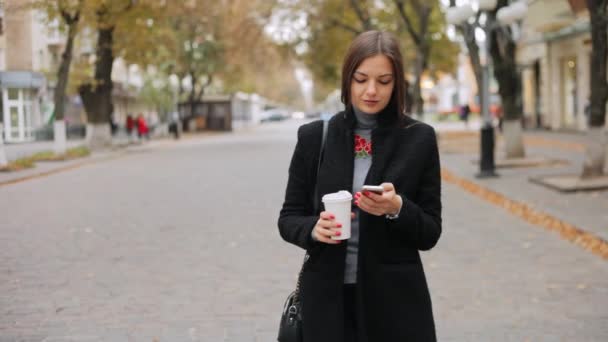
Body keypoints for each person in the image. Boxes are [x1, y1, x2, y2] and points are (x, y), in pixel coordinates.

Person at [278, 31, 442, 342]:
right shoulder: (315, 137)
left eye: (383, 81)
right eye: (361, 79)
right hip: (327, 303)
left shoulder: (418, 138)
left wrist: (398, 209)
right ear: (347, 80)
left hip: (396, 306)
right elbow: (288, 218)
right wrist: (314, 229)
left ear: (397, 84)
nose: (371, 90)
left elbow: (431, 232)